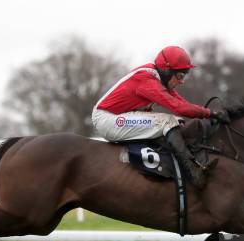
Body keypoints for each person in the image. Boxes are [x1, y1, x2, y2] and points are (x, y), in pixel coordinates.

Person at [92, 45, 230, 188]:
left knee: (177, 122)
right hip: (107, 118)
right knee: (168, 122)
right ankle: (194, 173)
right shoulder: (147, 80)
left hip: (118, 115)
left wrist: (209, 113)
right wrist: (211, 113)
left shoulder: (157, 79)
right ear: (166, 70)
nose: (182, 81)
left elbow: (182, 103)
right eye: (180, 75)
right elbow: (179, 107)